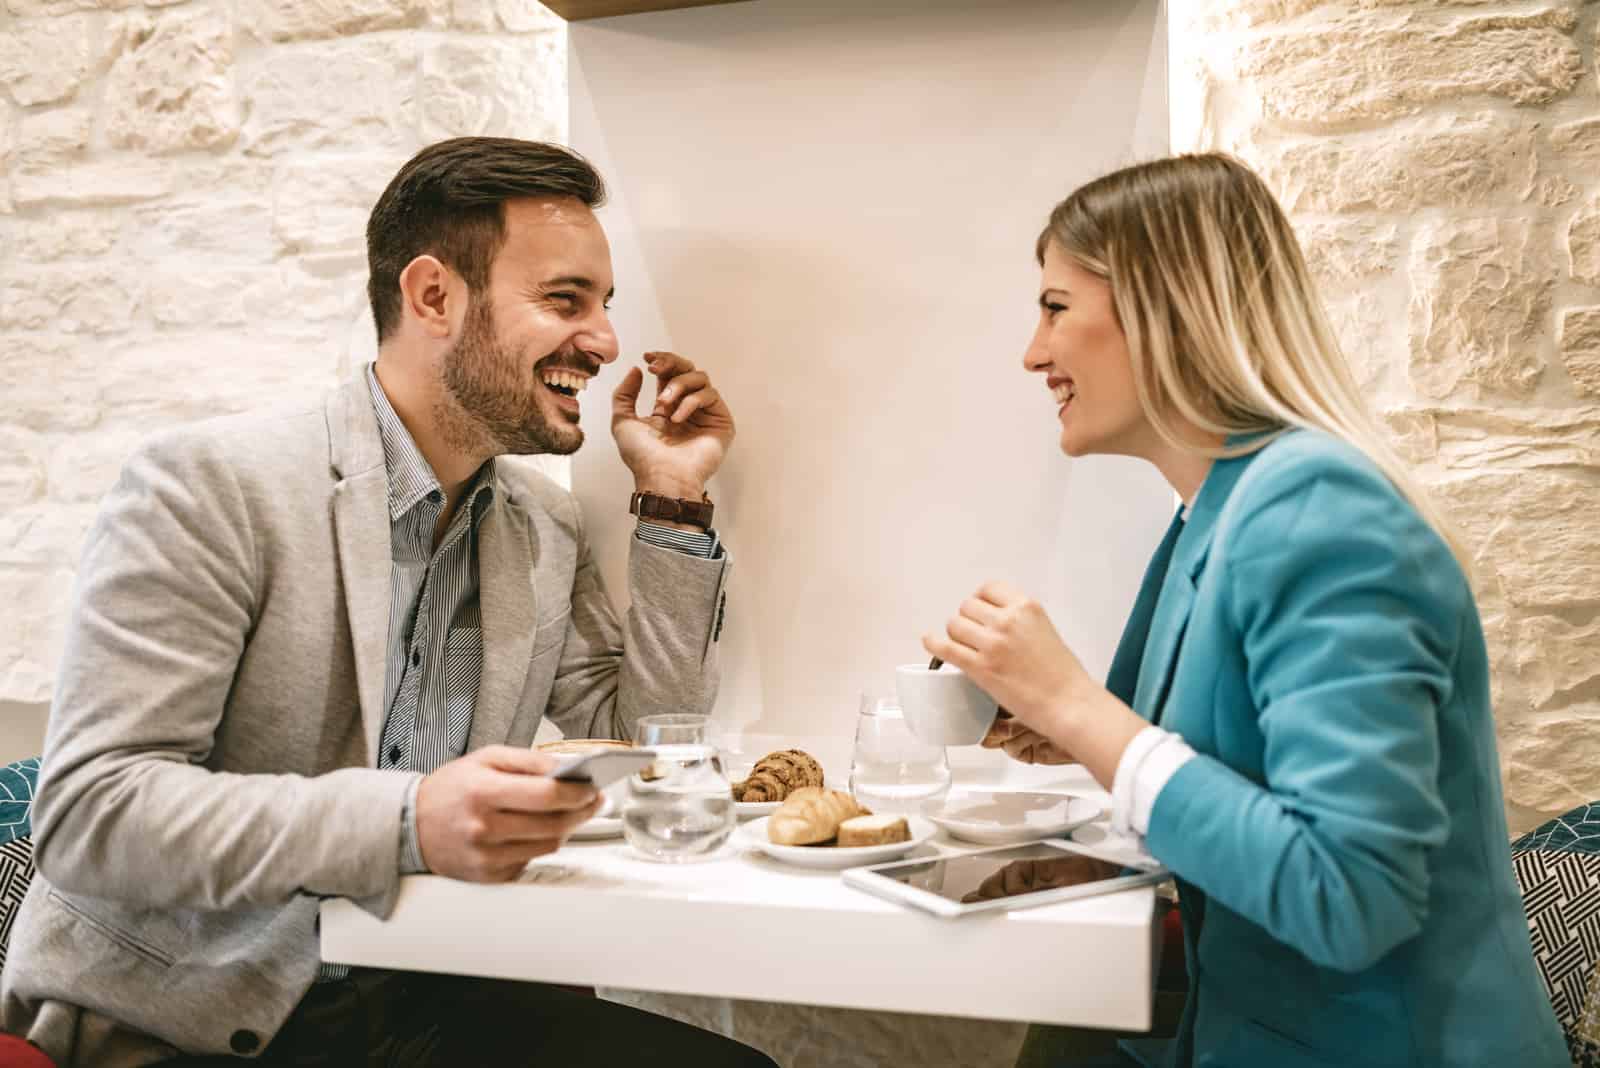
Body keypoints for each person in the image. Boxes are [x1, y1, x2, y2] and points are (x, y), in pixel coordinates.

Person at [1, 137, 773, 1068]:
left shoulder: (542, 524)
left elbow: (651, 730)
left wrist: (674, 498)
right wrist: (407, 820)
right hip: (192, 1018)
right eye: (565, 301)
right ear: (434, 297)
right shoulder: (210, 485)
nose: (606, 341)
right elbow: (92, 813)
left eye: (604, 306)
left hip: (426, 990)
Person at [923, 153, 1567, 1067]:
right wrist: (1061, 725)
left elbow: (1349, 897)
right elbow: (1236, 760)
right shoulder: (1212, 514)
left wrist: (1079, 707)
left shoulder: (1322, 512)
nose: (1034, 351)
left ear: (1164, 307)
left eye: (1056, 306)